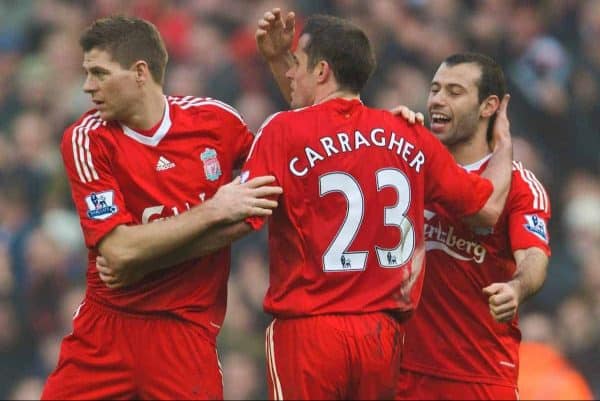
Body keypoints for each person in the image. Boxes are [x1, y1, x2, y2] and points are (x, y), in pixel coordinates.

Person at [248, 12, 513, 400]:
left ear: (321, 71)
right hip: (383, 337)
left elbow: (243, 212)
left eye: (297, 65)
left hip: (310, 330)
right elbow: (488, 208)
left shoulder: (282, 130)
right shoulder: (408, 133)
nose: (290, 73)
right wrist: (504, 146)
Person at [41, 16, 282, 400]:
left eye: (99, 74)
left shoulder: (216, 122)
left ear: (140, 72)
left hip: (187, 328)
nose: (88, 87)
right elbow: (118, 252)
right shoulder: (87, 140)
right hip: (108, 330)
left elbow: (261, 200)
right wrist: (211, 212)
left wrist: (281, 66)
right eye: (86, 74)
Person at [388, 54, 551, 399]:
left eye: (454, 91)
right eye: (435, 89)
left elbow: (534, 258)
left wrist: (516, 289)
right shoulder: (407, 164)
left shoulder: (521, 186)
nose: (437, 100)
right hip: (402, 372)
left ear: (488, 106)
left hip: (479, 375)